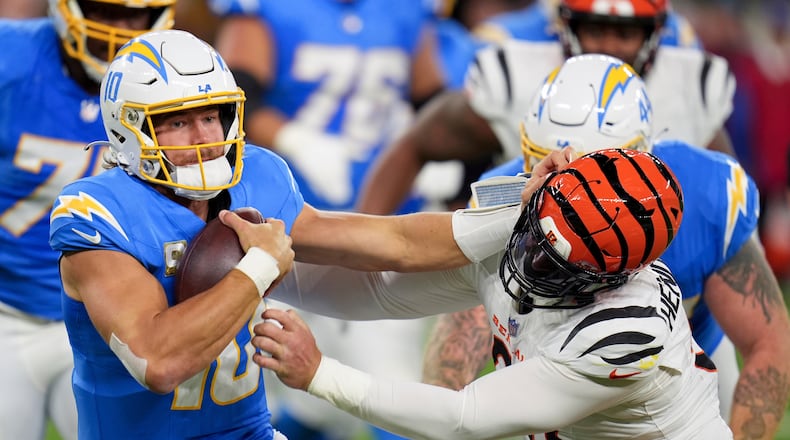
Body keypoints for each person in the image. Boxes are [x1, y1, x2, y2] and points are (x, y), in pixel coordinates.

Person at [48, 29, 512, 439]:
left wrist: (520, 211)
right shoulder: (99, 212)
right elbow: (157, 362)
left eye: (212, 116)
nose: (204, 137)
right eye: (177, 122)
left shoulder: (256, 178)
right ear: (129, 130)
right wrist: (258, 267)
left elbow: (395, 242)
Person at [420, 53, 790, 439]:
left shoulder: (703, 197)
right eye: (549, 170)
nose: (561, 197)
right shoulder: (505, 197)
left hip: (690, 373)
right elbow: (461, 337)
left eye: (588, 182)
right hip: (558, 374)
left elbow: (767, 340)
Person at [256, 147, 734, 439]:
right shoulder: (532, 218)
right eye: (534, 233)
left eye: (555, 260)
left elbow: (464, 418)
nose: (530, 258)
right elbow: (380, 283)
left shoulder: (628, 330)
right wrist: (258, 270)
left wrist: (320, 374)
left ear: (612, 278)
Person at [207, 2, 446, 438]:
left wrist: (436, 150)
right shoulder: (265, 10)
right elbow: (229, 103)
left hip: (382, 229)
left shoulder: (408, 10)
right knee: (293, 397)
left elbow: (432, 97)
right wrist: (292, 138)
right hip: (284, 233)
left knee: (390, 387)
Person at [356, 0, 736, 216]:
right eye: (595, 29)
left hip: (661, 270)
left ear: (654, 34)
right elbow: (418, 142)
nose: (609, 46)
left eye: (624, 32)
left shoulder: (691, 85)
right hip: (538, 266)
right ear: (567, 28)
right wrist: (361, 239)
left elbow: (729, 191)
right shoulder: (521, 76)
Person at [0, 1, 175, 439]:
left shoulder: (180, 77)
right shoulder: (11, 58)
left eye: (134, 15)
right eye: (104, 11)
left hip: (105, 318)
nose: (119, 31)